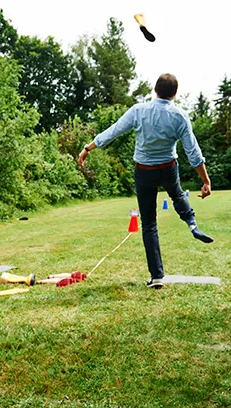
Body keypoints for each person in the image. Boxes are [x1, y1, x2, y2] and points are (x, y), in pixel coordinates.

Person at [78, 73, 213, 289]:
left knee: (149, 223)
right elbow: (193, 153)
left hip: (144, 172)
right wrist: (205, 180)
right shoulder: (180, 116)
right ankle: (192, 224)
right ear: (175, 94)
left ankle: (157, 275)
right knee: (177, 194)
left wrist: (88, 148)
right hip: (168, 168)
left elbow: (113, 131)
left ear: (155, 90)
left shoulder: (138, 111)